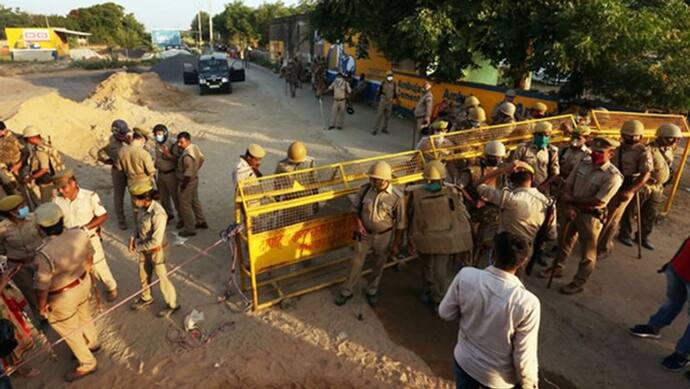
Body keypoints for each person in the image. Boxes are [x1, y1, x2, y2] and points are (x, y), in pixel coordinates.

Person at [440, 231, 540, 389]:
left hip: (465, 361)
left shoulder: (466, 275)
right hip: (498, 379)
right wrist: (529, 384)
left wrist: (470, 312)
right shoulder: (528, 303)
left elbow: (445, 313)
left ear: (493, 253)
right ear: (522, 262)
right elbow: (524, 357)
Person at [539, 137, 623, 294]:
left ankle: (578, 282)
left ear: (611, 154)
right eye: (593, 151)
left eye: (600, 152)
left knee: (588, 253)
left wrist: (572, 201)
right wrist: (569, 205)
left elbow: (599, 201)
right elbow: (569, 184)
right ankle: (556, 268)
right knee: (564, 241)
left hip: (590, 216)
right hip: (571, 210)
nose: (595, 154)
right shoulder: (583, 163)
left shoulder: (613, 176)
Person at [32, 202, 100, 382]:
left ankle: (87, 363)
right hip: (82, 282)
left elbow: (42, 284)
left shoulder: (44, 253)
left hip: (62, 295)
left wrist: (41, 306)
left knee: (69, 330)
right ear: (61, 219)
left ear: (41, 228)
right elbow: (90, 257)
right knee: (84, 314)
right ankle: (92, 342)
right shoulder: (79, 234)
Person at [335, 161, 405, 307]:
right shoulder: (365, 190)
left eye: (375, 179)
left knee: (379, 264)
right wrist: (358, 223)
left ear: (385, 180)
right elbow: (354, 209)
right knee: (356, 263)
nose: (371, 181)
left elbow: (400, 224)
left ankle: (372, 290)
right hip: (364, 234)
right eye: (371, 178)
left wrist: (396, 244)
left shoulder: (397, 198)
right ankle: (347, 291)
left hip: (384, 236)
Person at [408, 160, 473, 310]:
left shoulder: (452, 192)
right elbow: (411, 216)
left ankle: (438, 297)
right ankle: (430, 291)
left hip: (442, 237)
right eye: (430, 180)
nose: (431, 183)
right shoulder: (416, 194)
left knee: (438, 270)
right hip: (428, 236)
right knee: (428, 267)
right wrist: (411, 237)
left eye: (434, 181)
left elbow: (459, 214)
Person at [52, 169, 118, 302]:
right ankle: (85, 292)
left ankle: (111, 287)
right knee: (79, 269)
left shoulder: (90, 196)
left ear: (73, 183)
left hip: (89, 238)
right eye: (59, 189)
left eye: (64, 187)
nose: (61, 191)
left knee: (99, 266)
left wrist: (85, 228)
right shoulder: (57, 201)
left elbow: (102, 215)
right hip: (70, 242)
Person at [475, 161, 557, 262]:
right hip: (526, 250)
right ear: (532, 178)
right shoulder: (547, 202)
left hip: (503, 248)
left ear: (511, 180)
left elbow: (478, 184)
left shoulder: (508, 198)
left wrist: (502, 170)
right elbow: (551, 235)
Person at [629, 236, 690, 370]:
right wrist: (673, 261)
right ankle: (654, 327)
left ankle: (682, 353)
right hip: (680, 267)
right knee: (672, 300)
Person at [619, 123, 681, 250]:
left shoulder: (669, 150)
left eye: (676, 139)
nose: (674, 141)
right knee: (632, 210)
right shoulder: (647, 150)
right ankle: (624, 234)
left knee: (650, 213)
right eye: (671, 138)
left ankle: (643, 236)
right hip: (644, 185)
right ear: (661, 136)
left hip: (657, 187)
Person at [597, 120, 652, 258]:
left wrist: (630, 191)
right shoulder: (615, 147)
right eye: (629, 135)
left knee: (613, 219)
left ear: (641, 136)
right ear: (622, 134)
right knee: (600, 214)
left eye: (636, 136)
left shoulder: (643, 151)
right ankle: (594, 242)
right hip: (610, 182)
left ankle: (604, 247)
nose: (633, 138)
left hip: (627, 185)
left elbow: (646, 174)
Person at [128, 181, 179, 318]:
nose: (133, 200)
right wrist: (133, 237)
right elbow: (138, 225)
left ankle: (172, 304)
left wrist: (137, 247)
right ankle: (146, 297)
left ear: (145, 198)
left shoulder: (158, 214)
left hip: (157, 251)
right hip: (144, 247)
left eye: (135, 198)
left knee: (162, 279)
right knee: (143, 274)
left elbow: (156, 240)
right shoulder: (142, 209)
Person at [457, 140, 507, 266]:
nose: (496, 160)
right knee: (469, 238)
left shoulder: (503, 172)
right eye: (493, 157)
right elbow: (460, 187)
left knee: (487, 239)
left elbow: (504, 189)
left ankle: (479, 259)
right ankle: (467, 262)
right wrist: (473, 201)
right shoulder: (473, 171)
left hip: (492, 210)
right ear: (486, 156)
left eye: (498, 158)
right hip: (473, 209)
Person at [0, 195, 43, 312]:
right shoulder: (2, 229)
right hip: (19, 267)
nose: (25, 208)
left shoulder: (34, 218)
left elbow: (44, 235)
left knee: (47, 285)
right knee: (29, 291)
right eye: (21, 207)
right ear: (12, 213)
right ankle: (41, 314)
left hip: (39, 260)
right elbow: (1, 249)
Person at [97, 119, 131, 230]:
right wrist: (105, 160)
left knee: (135, 194)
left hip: (129, 170)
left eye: (124, 133)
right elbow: (94, 151)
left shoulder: (127, 140)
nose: (124, 135)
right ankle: (121, 220)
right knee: (119, 196)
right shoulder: (108, 141)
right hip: (117, 171)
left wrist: (129, 142)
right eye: (122, 133)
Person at [116, 128, 156, 221]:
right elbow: (151, 171)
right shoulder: (144, 153)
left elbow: (119, 168)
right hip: (145, 185)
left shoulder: (121, 151)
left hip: (131, 183)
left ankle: (136, 230)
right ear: (142, 139)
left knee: (136, 208)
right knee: (148, 208)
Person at [510, 121, 560, 194]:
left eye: (546, 135)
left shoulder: (552, 151)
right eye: (540, 135)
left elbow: (555, 173)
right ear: (534, 135)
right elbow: (514, 166)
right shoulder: (523, 148)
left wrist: (543, 186)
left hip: (542, 190)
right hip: (523, 188)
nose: (543, 138)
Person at [175, 132, 207, 237]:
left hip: (187, 181)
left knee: (184, 204)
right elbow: (202, 159)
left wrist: (183, 185)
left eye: (181, 142)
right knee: (194, 200)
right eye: (178, 142)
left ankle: (190, 228)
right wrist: (195, 169)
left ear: (188, 141)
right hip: (195, 179)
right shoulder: (195, 148)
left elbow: (187, 174)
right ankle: (201, 221)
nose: (179, 144)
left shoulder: (187, 156)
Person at [22, 126, 63, 205]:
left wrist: (30, 178)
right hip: (57, 176)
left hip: (46, 180)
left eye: (27, 138)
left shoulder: (40, 151)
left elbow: (44, 169)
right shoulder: (46, 144)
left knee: (47, 203)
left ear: (31, 138)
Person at [152, 124, 181, 222]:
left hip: (171, 174)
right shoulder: (156, 143)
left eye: (160, 134)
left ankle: (181, 217)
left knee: (175, 197)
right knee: (164, 197)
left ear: (165, 133)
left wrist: (167, 155)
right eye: (156, 134)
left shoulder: (173, 143)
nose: (158, 136)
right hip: (160, 174)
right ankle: (169, 214)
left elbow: (178, 159)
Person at [373, 71, 398, 135]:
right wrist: (376, 100)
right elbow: (379, 91)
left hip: (390, 101)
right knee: (379, 115)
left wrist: (396, 100)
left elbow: (396, 93)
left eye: (391, 75)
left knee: (387, 116)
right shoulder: (383, 82)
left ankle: (385, 128)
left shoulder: (394, 84)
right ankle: (375, 129)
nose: (390, 77)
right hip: (383, 100)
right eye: (389, 75)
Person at [413, 81, 434, 147]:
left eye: (426, 86)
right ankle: (415, 147)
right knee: (417, 133)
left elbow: (429, 107)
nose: (424, 87)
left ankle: (418, 148)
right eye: (424, 85)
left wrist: (427, 117)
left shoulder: (428, 95)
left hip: (422, 117)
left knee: (419, 133)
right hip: (419, 116)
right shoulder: (424, 94)